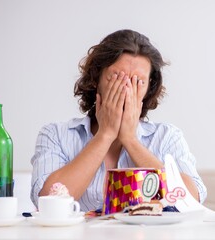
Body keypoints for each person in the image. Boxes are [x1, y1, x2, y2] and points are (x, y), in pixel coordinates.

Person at [30, 29, 207, 212]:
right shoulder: (55, 134)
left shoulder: (167, 137)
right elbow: (47, 202)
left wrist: (130, 140)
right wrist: (104, 135)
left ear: (149, 89)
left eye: (138, 81)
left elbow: (192, 201)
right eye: (116, 78)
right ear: (96, 79)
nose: (126, 89)